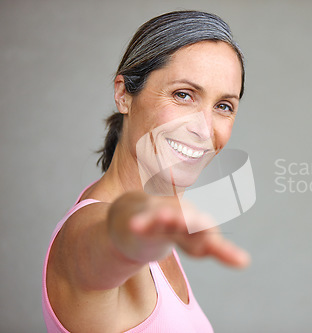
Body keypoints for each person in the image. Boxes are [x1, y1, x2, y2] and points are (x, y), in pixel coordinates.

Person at [42, 10, 250, 332]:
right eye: (183, 95)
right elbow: (98, 246)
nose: (205, 128)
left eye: (223, 106)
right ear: (124, 94)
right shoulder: (86, 230)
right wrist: (136, 228)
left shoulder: (161, 228)